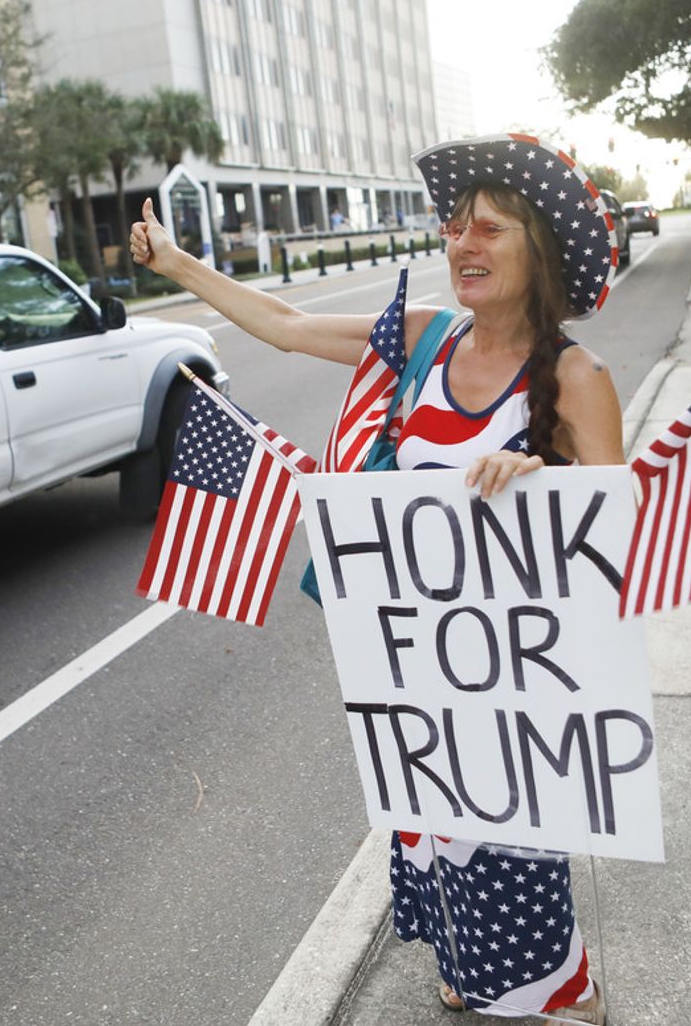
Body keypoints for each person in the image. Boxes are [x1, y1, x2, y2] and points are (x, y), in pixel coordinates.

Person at [128, 134, 621, 1022]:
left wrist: (551, 480)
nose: (461, 245)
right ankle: (467, 972)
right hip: (415, 678)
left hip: (510, 689)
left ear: (536, 249)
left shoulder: (578, 378)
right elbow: (283, 325)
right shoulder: (426, 338)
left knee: (514, 863)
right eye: (454, 227)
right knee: (434, 843)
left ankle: (562, 991)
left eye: (489, 230)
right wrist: (176, 263)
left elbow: (621, 542)